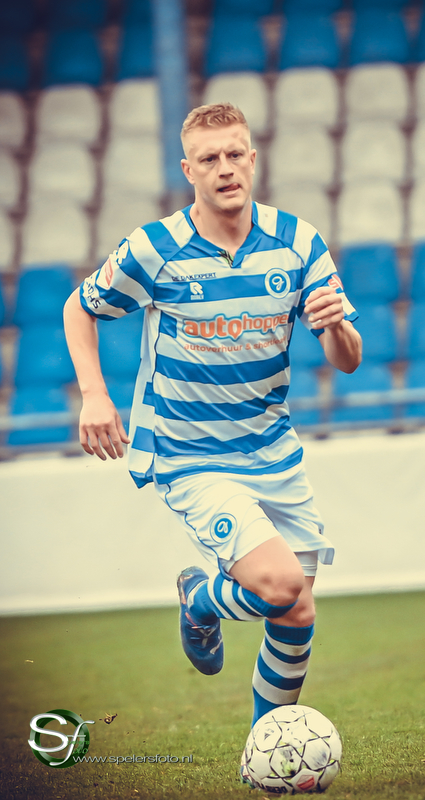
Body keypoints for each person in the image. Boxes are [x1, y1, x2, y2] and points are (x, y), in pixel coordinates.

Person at [63, 103, 362, 736]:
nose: (225, 169)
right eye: (209, 159)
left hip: (272, 449)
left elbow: (348, 360)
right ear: (189, 170)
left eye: (234, 155)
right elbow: (78, 307)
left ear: (252, 158)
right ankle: (200, 598)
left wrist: (337, 326)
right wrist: (94, 395)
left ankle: (268, 750)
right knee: (280, 584)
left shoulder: (299, 242)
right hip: (190, 455)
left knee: (296, 613)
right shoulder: (155, 248)